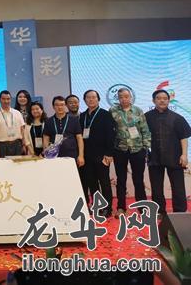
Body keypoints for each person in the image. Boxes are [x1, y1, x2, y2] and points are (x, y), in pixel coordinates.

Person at [145, 89, 190, 214]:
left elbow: (184, 137)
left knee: (178, 187)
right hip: (154, 157)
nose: (162, 100)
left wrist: (184, 154)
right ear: (153, 100)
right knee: (156, 188)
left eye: (165, 98)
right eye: (159, 98)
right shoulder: (146, 117)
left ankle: (180, 212)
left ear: (169, 100)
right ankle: (159, 211)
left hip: (174, 156)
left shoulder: (177, 118)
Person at [110, 88, 151, 218]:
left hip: (137, 149)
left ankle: (142, 208)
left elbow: (145, 130)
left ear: (130, 97)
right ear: (118, 98)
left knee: (138, 180)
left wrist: (145, 147)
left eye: (126, 96)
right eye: (121, 97)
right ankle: (121, 207)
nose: (124, 99)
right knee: (121, 179)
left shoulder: (138, 111)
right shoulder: (112, 111)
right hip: (120, 150)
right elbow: (109, 130)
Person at [79, 90, 117, 216]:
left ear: (98, 99)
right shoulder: (82, 116)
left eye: (93, 97)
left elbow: (111, 135)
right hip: (87, 155)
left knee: (104, 182)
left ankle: (107, 208)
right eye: (88, 97)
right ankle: (98, 206)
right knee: (92, 183)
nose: (91, 99)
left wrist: (109, 153)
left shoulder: (105, 115)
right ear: (85, 100)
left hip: (102, 155)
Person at [42, 96, 85, 167]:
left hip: (71, 155)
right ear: (53, 106)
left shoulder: (74, 120)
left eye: (62, 105)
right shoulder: (48, 121)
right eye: (57, 105)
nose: (60, 107)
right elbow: (46, 138)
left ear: (65, 106)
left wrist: (81, 155)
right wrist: (46, 153)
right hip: (54, 156)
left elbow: (79, 138)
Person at [0, 90, 30, 157]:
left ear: (10, 99)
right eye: (3, 99)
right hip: (1, 145)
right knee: (3, 163)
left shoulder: (17, 113)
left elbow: (22, 130)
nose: (6, 101)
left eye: (8, 99)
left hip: (17, 144)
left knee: (18, 163)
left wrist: (24, 144)